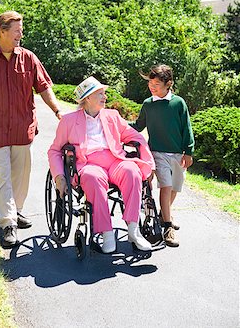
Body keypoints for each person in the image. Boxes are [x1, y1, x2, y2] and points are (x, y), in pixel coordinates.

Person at [0, 11, 62, 248]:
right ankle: (7, 223)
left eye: (21, 29)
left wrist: (58, 111)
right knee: (1, 177)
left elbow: (44, 87)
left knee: (21, 175)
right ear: (2, 31)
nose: (21, 34)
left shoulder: (28, 58)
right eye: (17, 30)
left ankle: (16, 211)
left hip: (21, 128)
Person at [48, 76, 155, 254]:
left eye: (104, 93)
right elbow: (54, 151)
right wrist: (59, 177)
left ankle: (133, 229)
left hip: (114, 160)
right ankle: (106, 233)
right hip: (88, 163)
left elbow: (135, 137)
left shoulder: (112, 116)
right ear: (88, 98)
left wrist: (149, 163)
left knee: (132, 171)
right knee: (92, 177)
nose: (105, 97)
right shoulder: (68, 121)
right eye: (100, 94)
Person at [130, 64, 194, 247]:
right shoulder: (148, 104)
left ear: (169, 84)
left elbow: (186, 128)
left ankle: (164, 214)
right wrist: (118, 125)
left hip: (177, 154)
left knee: (175, 187)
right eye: (151, 83)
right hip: (157, 153)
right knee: (166, 187)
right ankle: (167, 227)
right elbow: (138, 125)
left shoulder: (178, 103)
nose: (152, 87)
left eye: (156, 83)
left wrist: (188, 151)